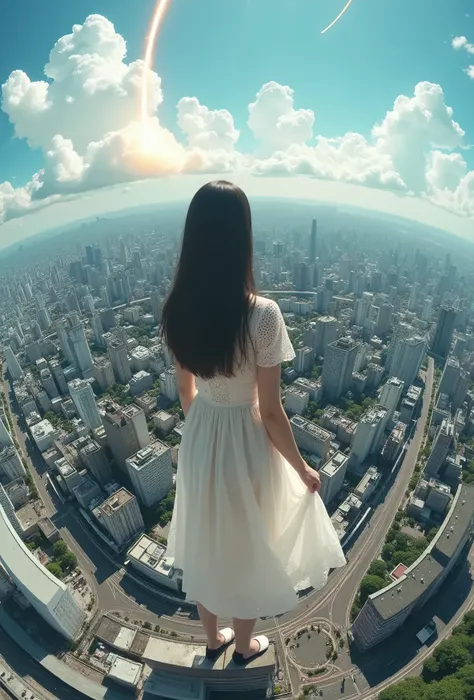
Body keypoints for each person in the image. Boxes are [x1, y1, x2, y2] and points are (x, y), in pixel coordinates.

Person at [162, 181, 346, 665]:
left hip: (199, 434)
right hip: (245, 442)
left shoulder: (177, 306)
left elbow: (186, 390)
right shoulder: (262, 315)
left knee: (206, 541)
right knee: (249, 546)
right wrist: (303, 468)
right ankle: (243, 645)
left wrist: (204, 431)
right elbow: (269, 411)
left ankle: (212, 639)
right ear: (242, 237)